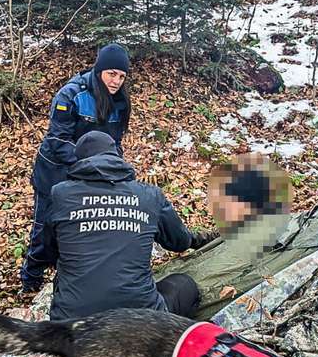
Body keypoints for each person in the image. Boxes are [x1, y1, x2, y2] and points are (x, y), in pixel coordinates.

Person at [40, 131, 218, 320]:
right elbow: (179, 242)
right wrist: (199, 239)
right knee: (185, 285)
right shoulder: (149, 196)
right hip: (139, 321)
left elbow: (48, 250)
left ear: (79, 161)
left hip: (71, 323)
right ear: (116, 155)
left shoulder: (60, 195)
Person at [19, 43, 133, 293]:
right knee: (45, 227)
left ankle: (70, 276)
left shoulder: (120, 102)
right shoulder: (71, 94)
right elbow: (58, 141)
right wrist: (90, 165)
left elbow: (115, 143)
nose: (116, 81)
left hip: (92, 173)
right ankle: (31, 278)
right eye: (111, 74)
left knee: (81, 227)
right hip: (55, 171)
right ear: (99, 70)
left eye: (121, 76)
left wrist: (118, 169)